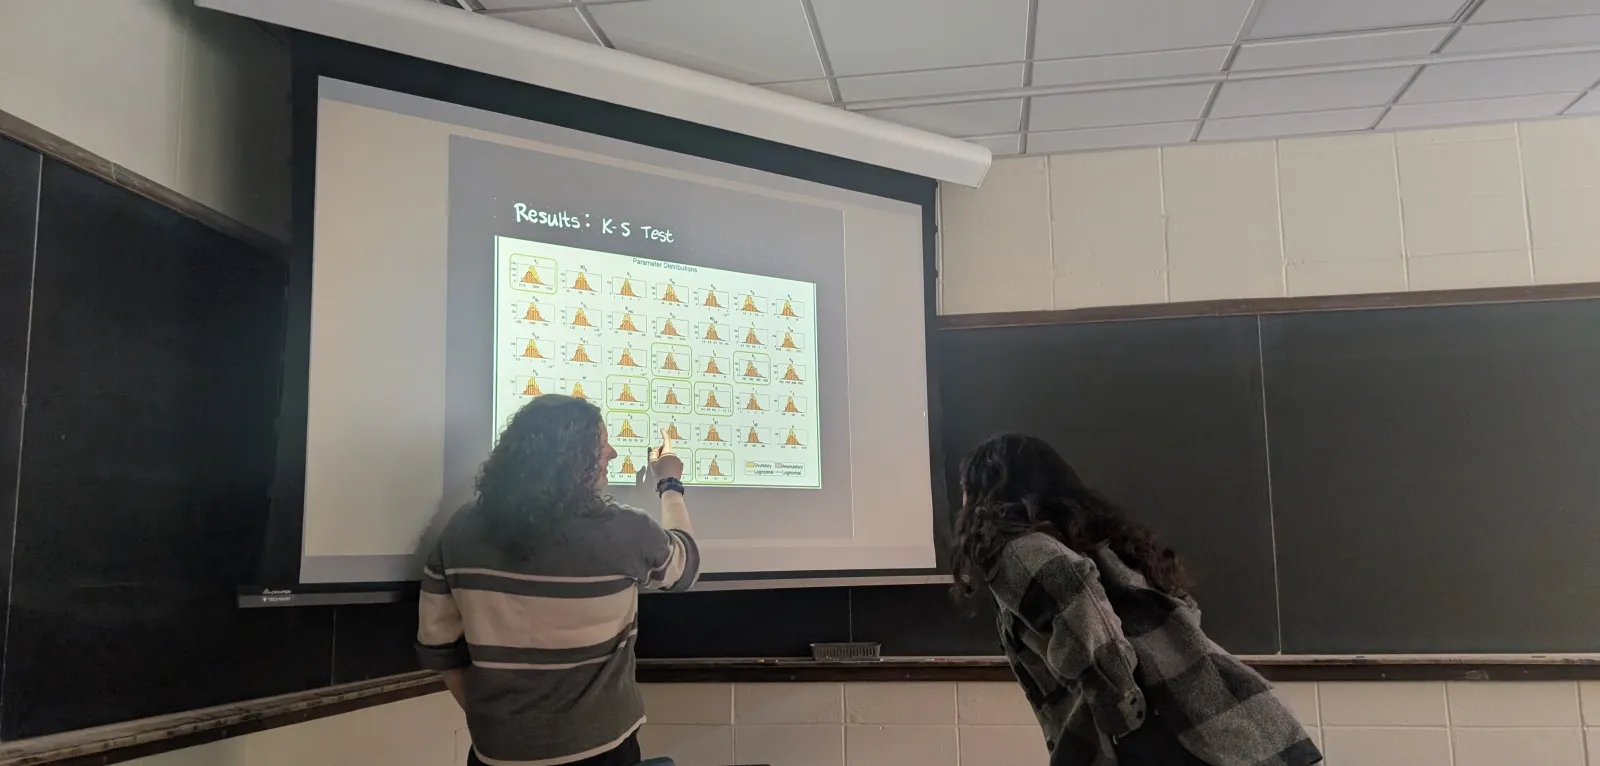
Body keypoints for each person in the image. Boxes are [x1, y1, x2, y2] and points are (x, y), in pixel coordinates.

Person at [951, 434, 1321, 766]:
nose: (962, 500)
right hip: (1241, 730)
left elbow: (1086, 626)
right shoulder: (1103, 544)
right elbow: (1185, 613)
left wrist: (1121, 718)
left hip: (1180, 744)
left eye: (965, 487)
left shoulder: (1018, 551)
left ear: (989, 490)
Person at [416, 394, 699, 766]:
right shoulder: (623, 530)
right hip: (603, 750)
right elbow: (685, 566)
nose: (612, 453)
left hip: (496, 752)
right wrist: (670, 483)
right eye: (600, 445)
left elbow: (439, 649)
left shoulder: (460, 531)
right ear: (570, 459)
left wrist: (500, 724)